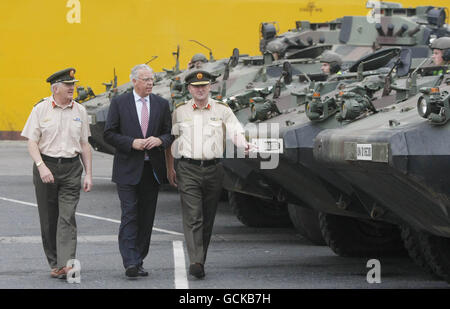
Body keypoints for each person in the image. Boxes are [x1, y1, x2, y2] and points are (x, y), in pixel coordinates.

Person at [165, 69, 248, 279]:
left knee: (208, 217)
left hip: (214, 169)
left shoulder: (222, 110)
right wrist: (170, 168)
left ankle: (200, 257)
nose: (200, 90)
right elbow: (171, 142)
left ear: (210, 87)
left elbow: (235, 131)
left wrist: (244, 144)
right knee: (194, 217)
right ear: (189, 89)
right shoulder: (180, 111)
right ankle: (196, 261)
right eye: (196, 87)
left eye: (204, 86)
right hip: (188, 168)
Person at [21, 68, 93, 279]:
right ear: (56, 88)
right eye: (68, 85)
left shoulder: (80, 110)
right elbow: (32, 142)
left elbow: (84, 144)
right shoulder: (41, 109)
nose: (72, 88)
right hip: (46, 166)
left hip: (71, 168)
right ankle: (55, 263)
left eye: (73, 85)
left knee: (67, 216)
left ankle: (67, 264)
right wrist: (41, 166)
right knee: (49, 218)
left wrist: (88, 173)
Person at [103, 64, 173, 278]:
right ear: (134, 81)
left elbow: (170, 134)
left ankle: (139, 258)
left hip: (151, 170)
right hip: (127, 168)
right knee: (130, 214)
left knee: (146, 218)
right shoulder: (119, 103)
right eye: (145, 79)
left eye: (152, 79)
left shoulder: (162, 104)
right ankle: (130, 262)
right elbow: (109, 133)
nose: (150, 83)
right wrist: (131, 143)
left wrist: (159, 140)